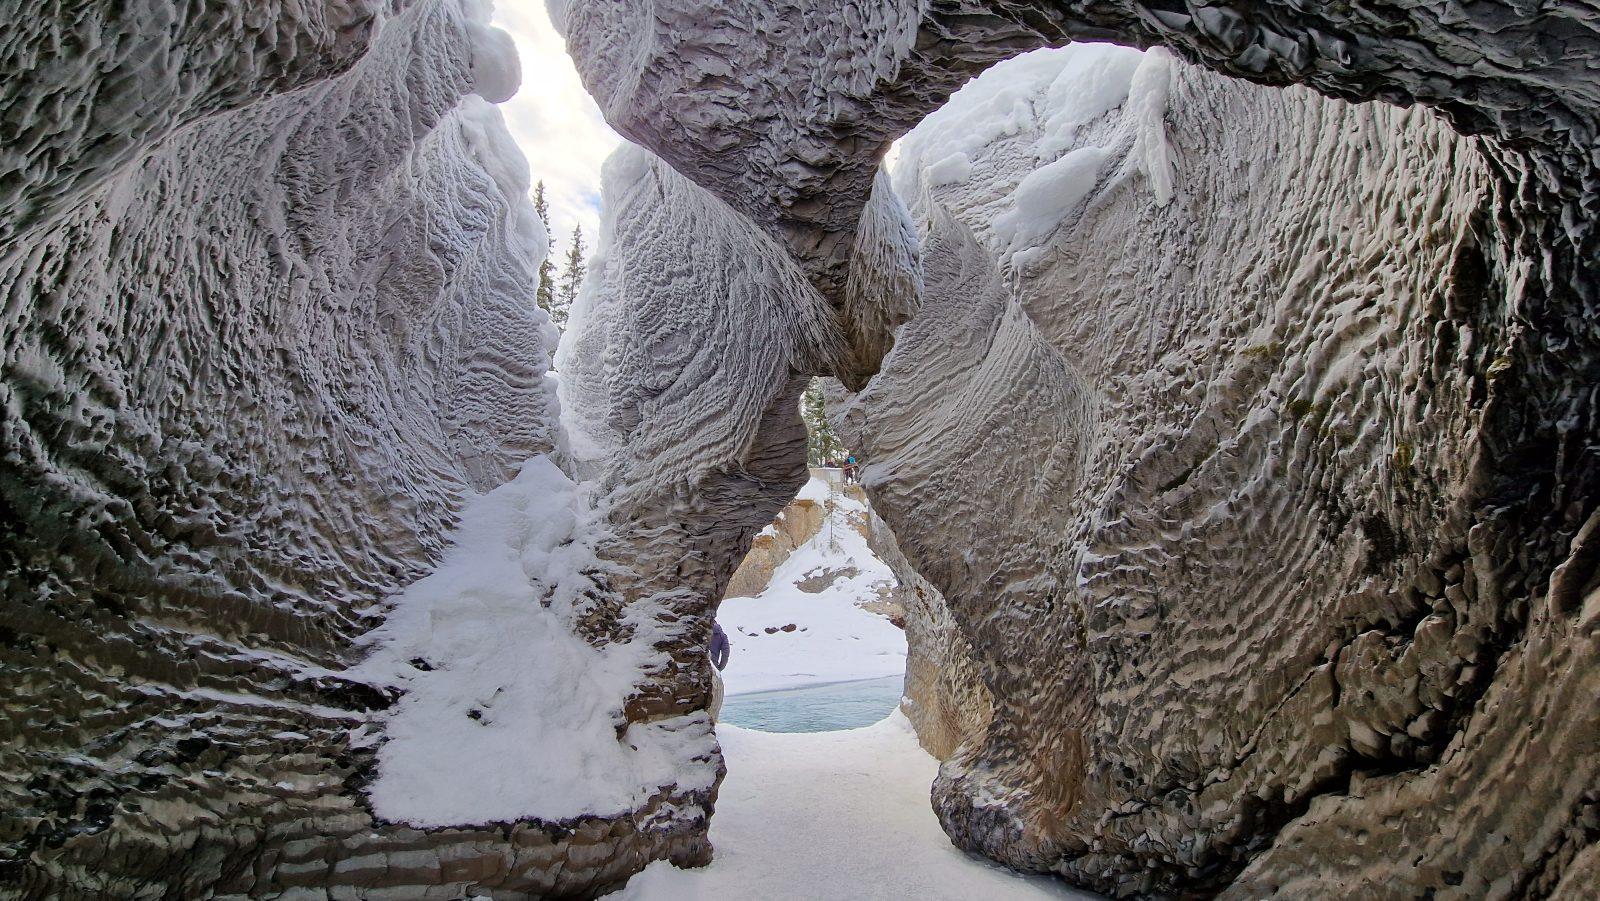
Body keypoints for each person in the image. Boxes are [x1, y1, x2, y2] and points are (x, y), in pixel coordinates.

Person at [708, 622, 729, 722]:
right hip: (714, 666)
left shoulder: (701, 628)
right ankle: (712, 719)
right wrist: (720, 668)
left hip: (700, 664)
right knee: (714, 693)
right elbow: (726, 654)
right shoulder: (721, 635)